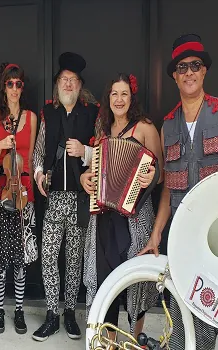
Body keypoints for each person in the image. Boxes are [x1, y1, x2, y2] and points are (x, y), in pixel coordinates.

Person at [138, 33, 218, 350]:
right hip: (188, 239)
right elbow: (168, 185)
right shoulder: (168, 126)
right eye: (183, 67)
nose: (189, 72)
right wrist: (156, 235)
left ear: (204, 71)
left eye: (195, 65)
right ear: (175, 76)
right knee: (191, 319)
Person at [80, 73, 161, 344]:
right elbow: (92, 170)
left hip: (136, 217)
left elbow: (161, 172)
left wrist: (152, 175)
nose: (119, 99)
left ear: (131, 97)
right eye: (114, 93)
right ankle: (112, 342)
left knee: (135, 280)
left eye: (124, 93)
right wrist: (84, 179)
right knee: (107, 279)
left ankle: (135, 340)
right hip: (104, 216)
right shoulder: (102, 129)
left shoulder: (145, 128)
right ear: (108, 98)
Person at [32, 52, 99, 342]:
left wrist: (83, 151)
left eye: (72, 80)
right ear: (58, 84)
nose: (68, 84)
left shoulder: (93, 114)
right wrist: (37, 174)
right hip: (55, 198)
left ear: (80, 84)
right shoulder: (49, 113)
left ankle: (70, 312)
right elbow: (37, 151)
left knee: (73, 260)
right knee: (48, 256)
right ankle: (51, 313)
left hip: (80, 200)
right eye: (63, 80)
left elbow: (104, 154)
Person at [0, 62, 38, 335]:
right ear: (3, 87)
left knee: (19, 257)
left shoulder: (31, 117)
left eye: (18, 84)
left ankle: (18, 309)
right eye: (10, 84)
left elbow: (34, 157)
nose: (14, 89)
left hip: (23, 192)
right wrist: (0, 146)